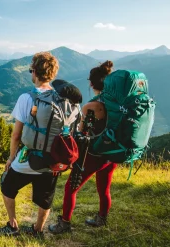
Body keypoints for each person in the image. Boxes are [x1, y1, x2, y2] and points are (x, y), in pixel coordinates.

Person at [0, 51, 65, 236]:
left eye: (30, 70)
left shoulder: (27, 98)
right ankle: (38, 230)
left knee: (7, 186)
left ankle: (12, 226)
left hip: (28, 158)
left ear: (34, 72)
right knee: (45, 198)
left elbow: (16, 135)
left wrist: (11, 158)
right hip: (52, 160)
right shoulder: (63, 100)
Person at [48, 61, 118, 234]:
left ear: (92, 84)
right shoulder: (117, 103)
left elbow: (81, 132)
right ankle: (102, 218)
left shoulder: (92, 106)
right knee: (104, 188)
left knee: (70, 188)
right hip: (111, 154)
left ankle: (64, 223)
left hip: (94, 154)